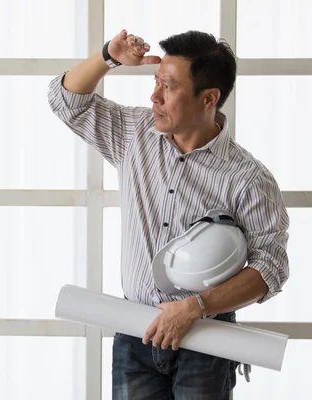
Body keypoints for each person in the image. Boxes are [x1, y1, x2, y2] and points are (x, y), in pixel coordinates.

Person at [48, 29, 290, 400]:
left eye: (169, 87)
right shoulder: (135, 134)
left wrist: (197, 307)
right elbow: (66, 100)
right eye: (156, 82)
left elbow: (270, 269)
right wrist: (107, 57)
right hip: (134, 332)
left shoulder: (248, 178)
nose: (154, 97)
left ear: (209, 98)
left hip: (206, 341)